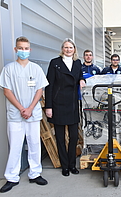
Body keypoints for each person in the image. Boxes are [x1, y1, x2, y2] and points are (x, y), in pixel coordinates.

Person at [0, 36, 49, 193]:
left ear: (30, 50)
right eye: (20, 48)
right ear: (15, 49)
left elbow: (40, 90)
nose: (23, 51)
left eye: (26, 48)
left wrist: (30, 108)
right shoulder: (8, 69)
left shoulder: (36, 69)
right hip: (15, 114)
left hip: (32, 113)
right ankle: (12, 177)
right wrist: (21, 109)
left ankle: (35, 174)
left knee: (34, 144)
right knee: (15, 146)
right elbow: (7, 90)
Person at [45, 38, 86, 177]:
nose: (68, 50)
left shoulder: (77, 63)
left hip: (73, 104)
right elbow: (49, 85)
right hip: (58, 104)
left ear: (74, 49)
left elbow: (80, 75)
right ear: (62, 49)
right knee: (61, 138)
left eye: (71, 47)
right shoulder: (55, 63)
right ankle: (65, 166)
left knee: (74, 137)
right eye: (66, 47)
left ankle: (72, 164)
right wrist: (48, 106)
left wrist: (82, 79)